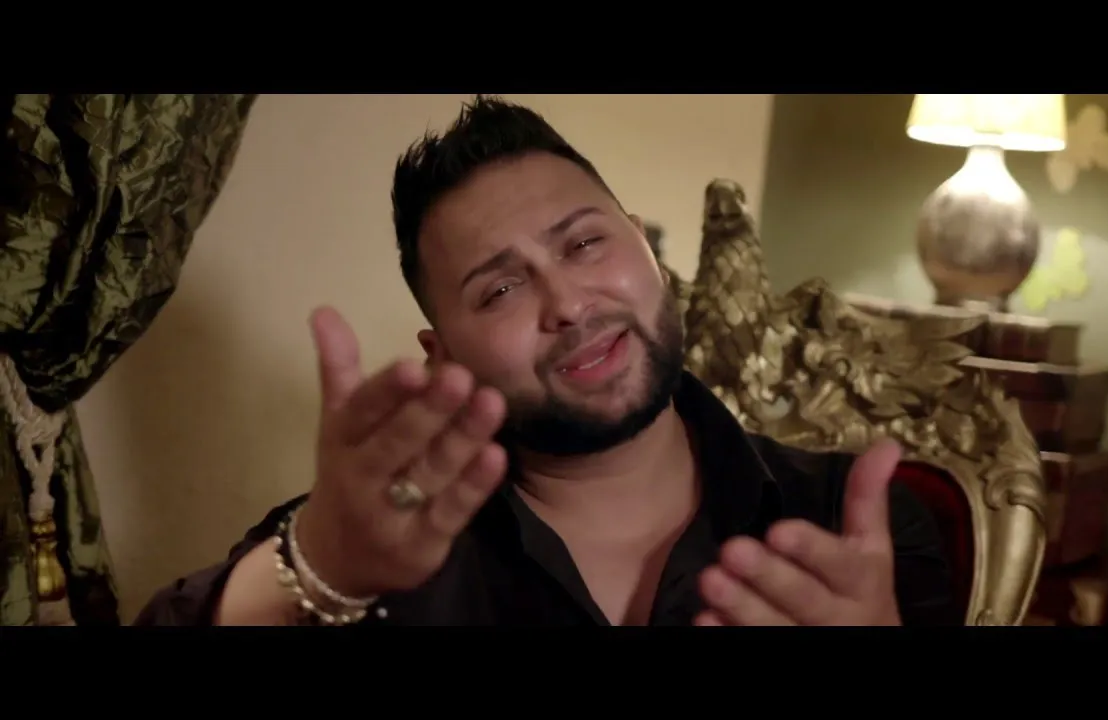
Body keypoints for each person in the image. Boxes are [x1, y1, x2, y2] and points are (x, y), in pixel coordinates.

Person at [135, 95, 957, 627]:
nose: (567, 303)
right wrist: (322, 570)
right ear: (443, 356)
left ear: (647, 248)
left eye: (586, 243)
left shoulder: (851, 531)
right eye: (499, 290)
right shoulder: (374, 545)